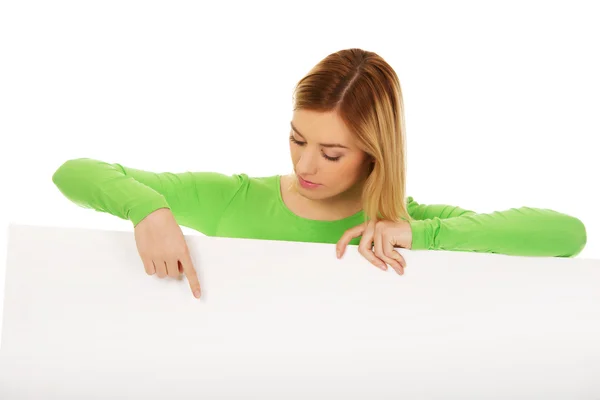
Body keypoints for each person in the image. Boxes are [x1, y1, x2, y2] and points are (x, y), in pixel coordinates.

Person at [51, 48, 587, 299]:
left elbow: (567, 235)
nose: (304, 165)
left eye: (331, 153)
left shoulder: (401, 223)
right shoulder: (234, 199)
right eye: (296, 139)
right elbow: (73, 172)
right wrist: (147, 209)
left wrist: (421, 234)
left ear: (375, 154)